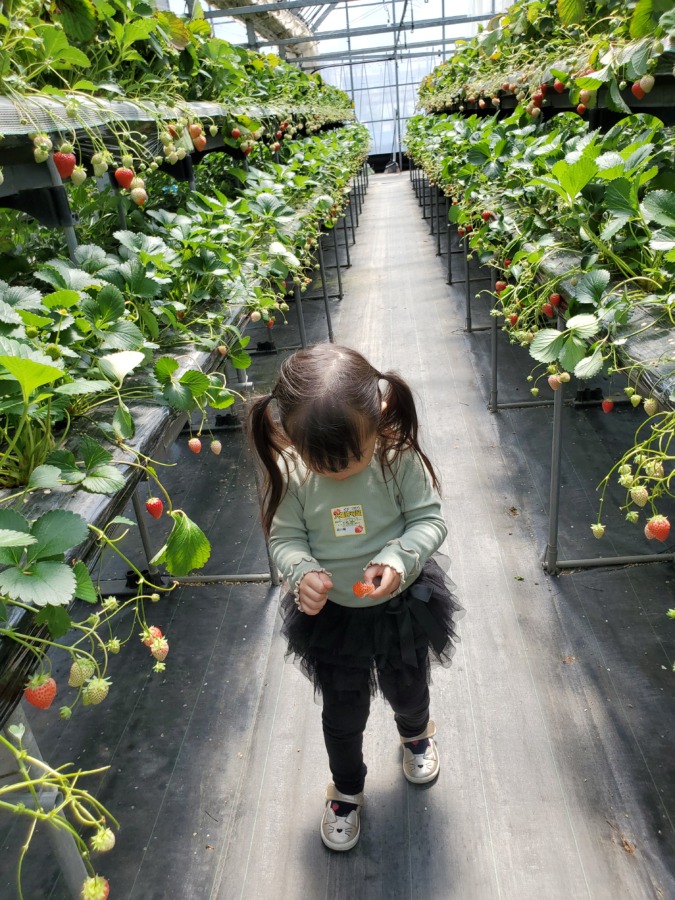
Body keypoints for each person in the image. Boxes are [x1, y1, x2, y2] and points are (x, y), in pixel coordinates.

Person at [248, 344, 462, 852]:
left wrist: (398, 558)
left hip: (401, 605)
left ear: (380, 417)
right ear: (292, 438)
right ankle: (346, 788)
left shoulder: (395, 458)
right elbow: (285, 538)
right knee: (342, 712)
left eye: (351, 457)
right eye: (322, 461)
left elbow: (429, 520)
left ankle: (416, 734)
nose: (339, 471)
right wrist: (301, 571)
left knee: (408, 687)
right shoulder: (295, 474)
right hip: (334, 619)